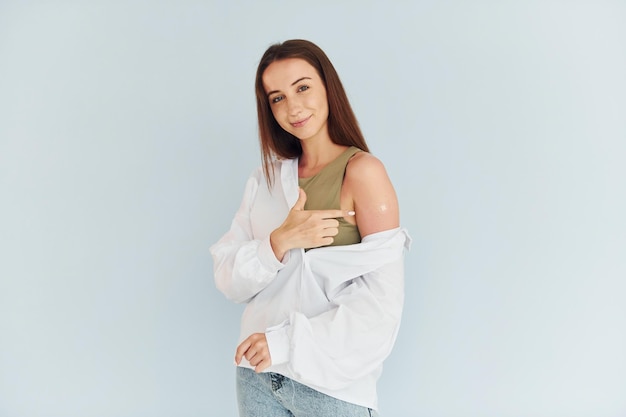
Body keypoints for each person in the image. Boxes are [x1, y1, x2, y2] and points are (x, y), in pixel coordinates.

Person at [210, 39, 410, 417]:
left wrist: (283, 343)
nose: (293, 107)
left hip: (330, 389)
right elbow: (228, 278)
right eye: (277, 98)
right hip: (257, 378)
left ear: (327, 87)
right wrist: (278, 241)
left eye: (302, 87)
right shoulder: (265, 180)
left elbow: (381, 308)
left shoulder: (363, 173)